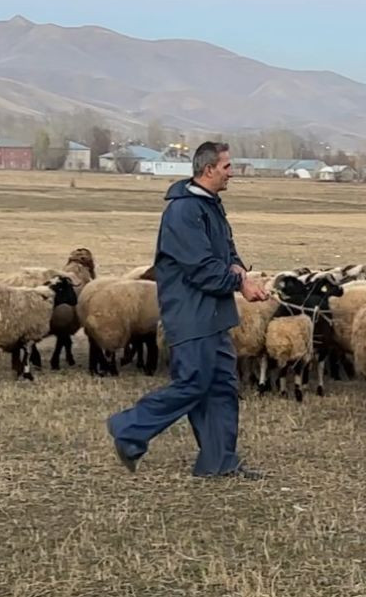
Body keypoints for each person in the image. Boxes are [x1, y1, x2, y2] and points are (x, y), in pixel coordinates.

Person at [107, 141, 269, 478]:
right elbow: (201, 268)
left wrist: (239, 269)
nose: (231, 172)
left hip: (214, 315)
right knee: (193, 383)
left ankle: (218, 461)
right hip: (191, 315)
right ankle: (129, 428)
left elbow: (225, 252)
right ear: (208, 169)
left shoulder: (210, 206)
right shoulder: (183, 212)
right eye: (227, 166)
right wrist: (239, 284)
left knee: (222, 386)